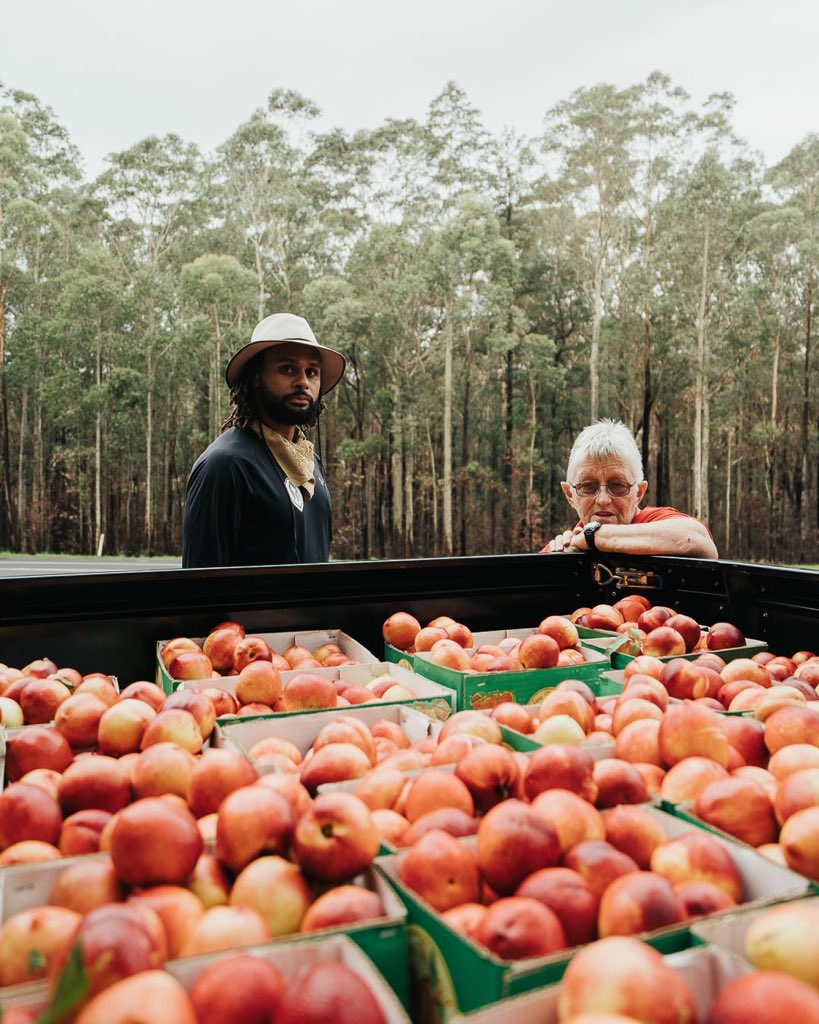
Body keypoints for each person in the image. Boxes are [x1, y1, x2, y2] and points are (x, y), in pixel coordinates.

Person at [182, 313, 346, 568]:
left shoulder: (310, 464)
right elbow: (200, 588)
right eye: (287, 369)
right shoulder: (225, 465)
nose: (303, 381)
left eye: (312, 371)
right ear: (256, 376)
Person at [542, 419, 718, 558]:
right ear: (570, 495)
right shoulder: (561, 548)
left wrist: (592, 537)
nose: (603, 500)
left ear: (639, 492)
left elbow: (697, 539)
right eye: (588, 487)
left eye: (618, 486)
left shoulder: (656, 522)